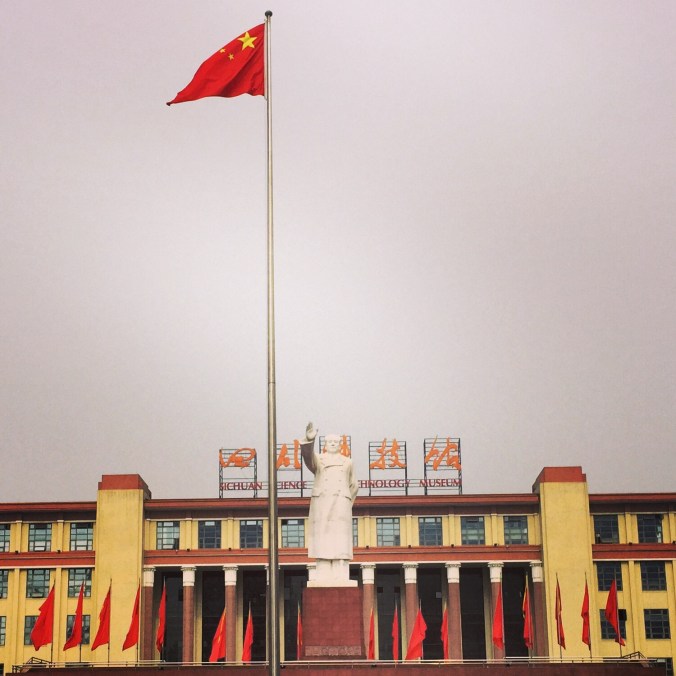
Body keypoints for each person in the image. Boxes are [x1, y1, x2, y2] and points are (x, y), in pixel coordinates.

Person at [300, 422, 358, 585]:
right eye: (330, 442)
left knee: (340, 536)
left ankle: (340, 571)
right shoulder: (319, 459)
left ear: (340, 445)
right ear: (325, 445)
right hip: (323, 502)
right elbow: (308, 458)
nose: (333, 445)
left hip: (340, 502)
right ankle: (324, 570)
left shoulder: (348, 462)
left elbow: (354, 485)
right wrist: (309, 440)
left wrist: (347, 502)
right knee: (323, 535)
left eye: (336, 442)